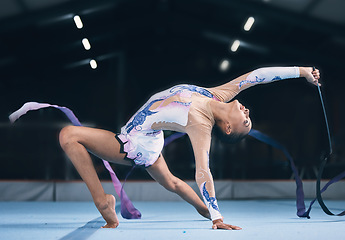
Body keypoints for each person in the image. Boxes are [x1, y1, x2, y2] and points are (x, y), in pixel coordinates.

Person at [57, 66, 320, 229]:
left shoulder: (201, 125)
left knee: (69, 136)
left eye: (246, 121)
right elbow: (258, 76)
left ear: (227, 127)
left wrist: (218, 217)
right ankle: (204, 209)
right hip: (149, 137)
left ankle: (103, 201)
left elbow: (203, 170)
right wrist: (301, 71)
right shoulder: (218, 95)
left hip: (134, 143)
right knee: (171, 182)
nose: (247, 111)